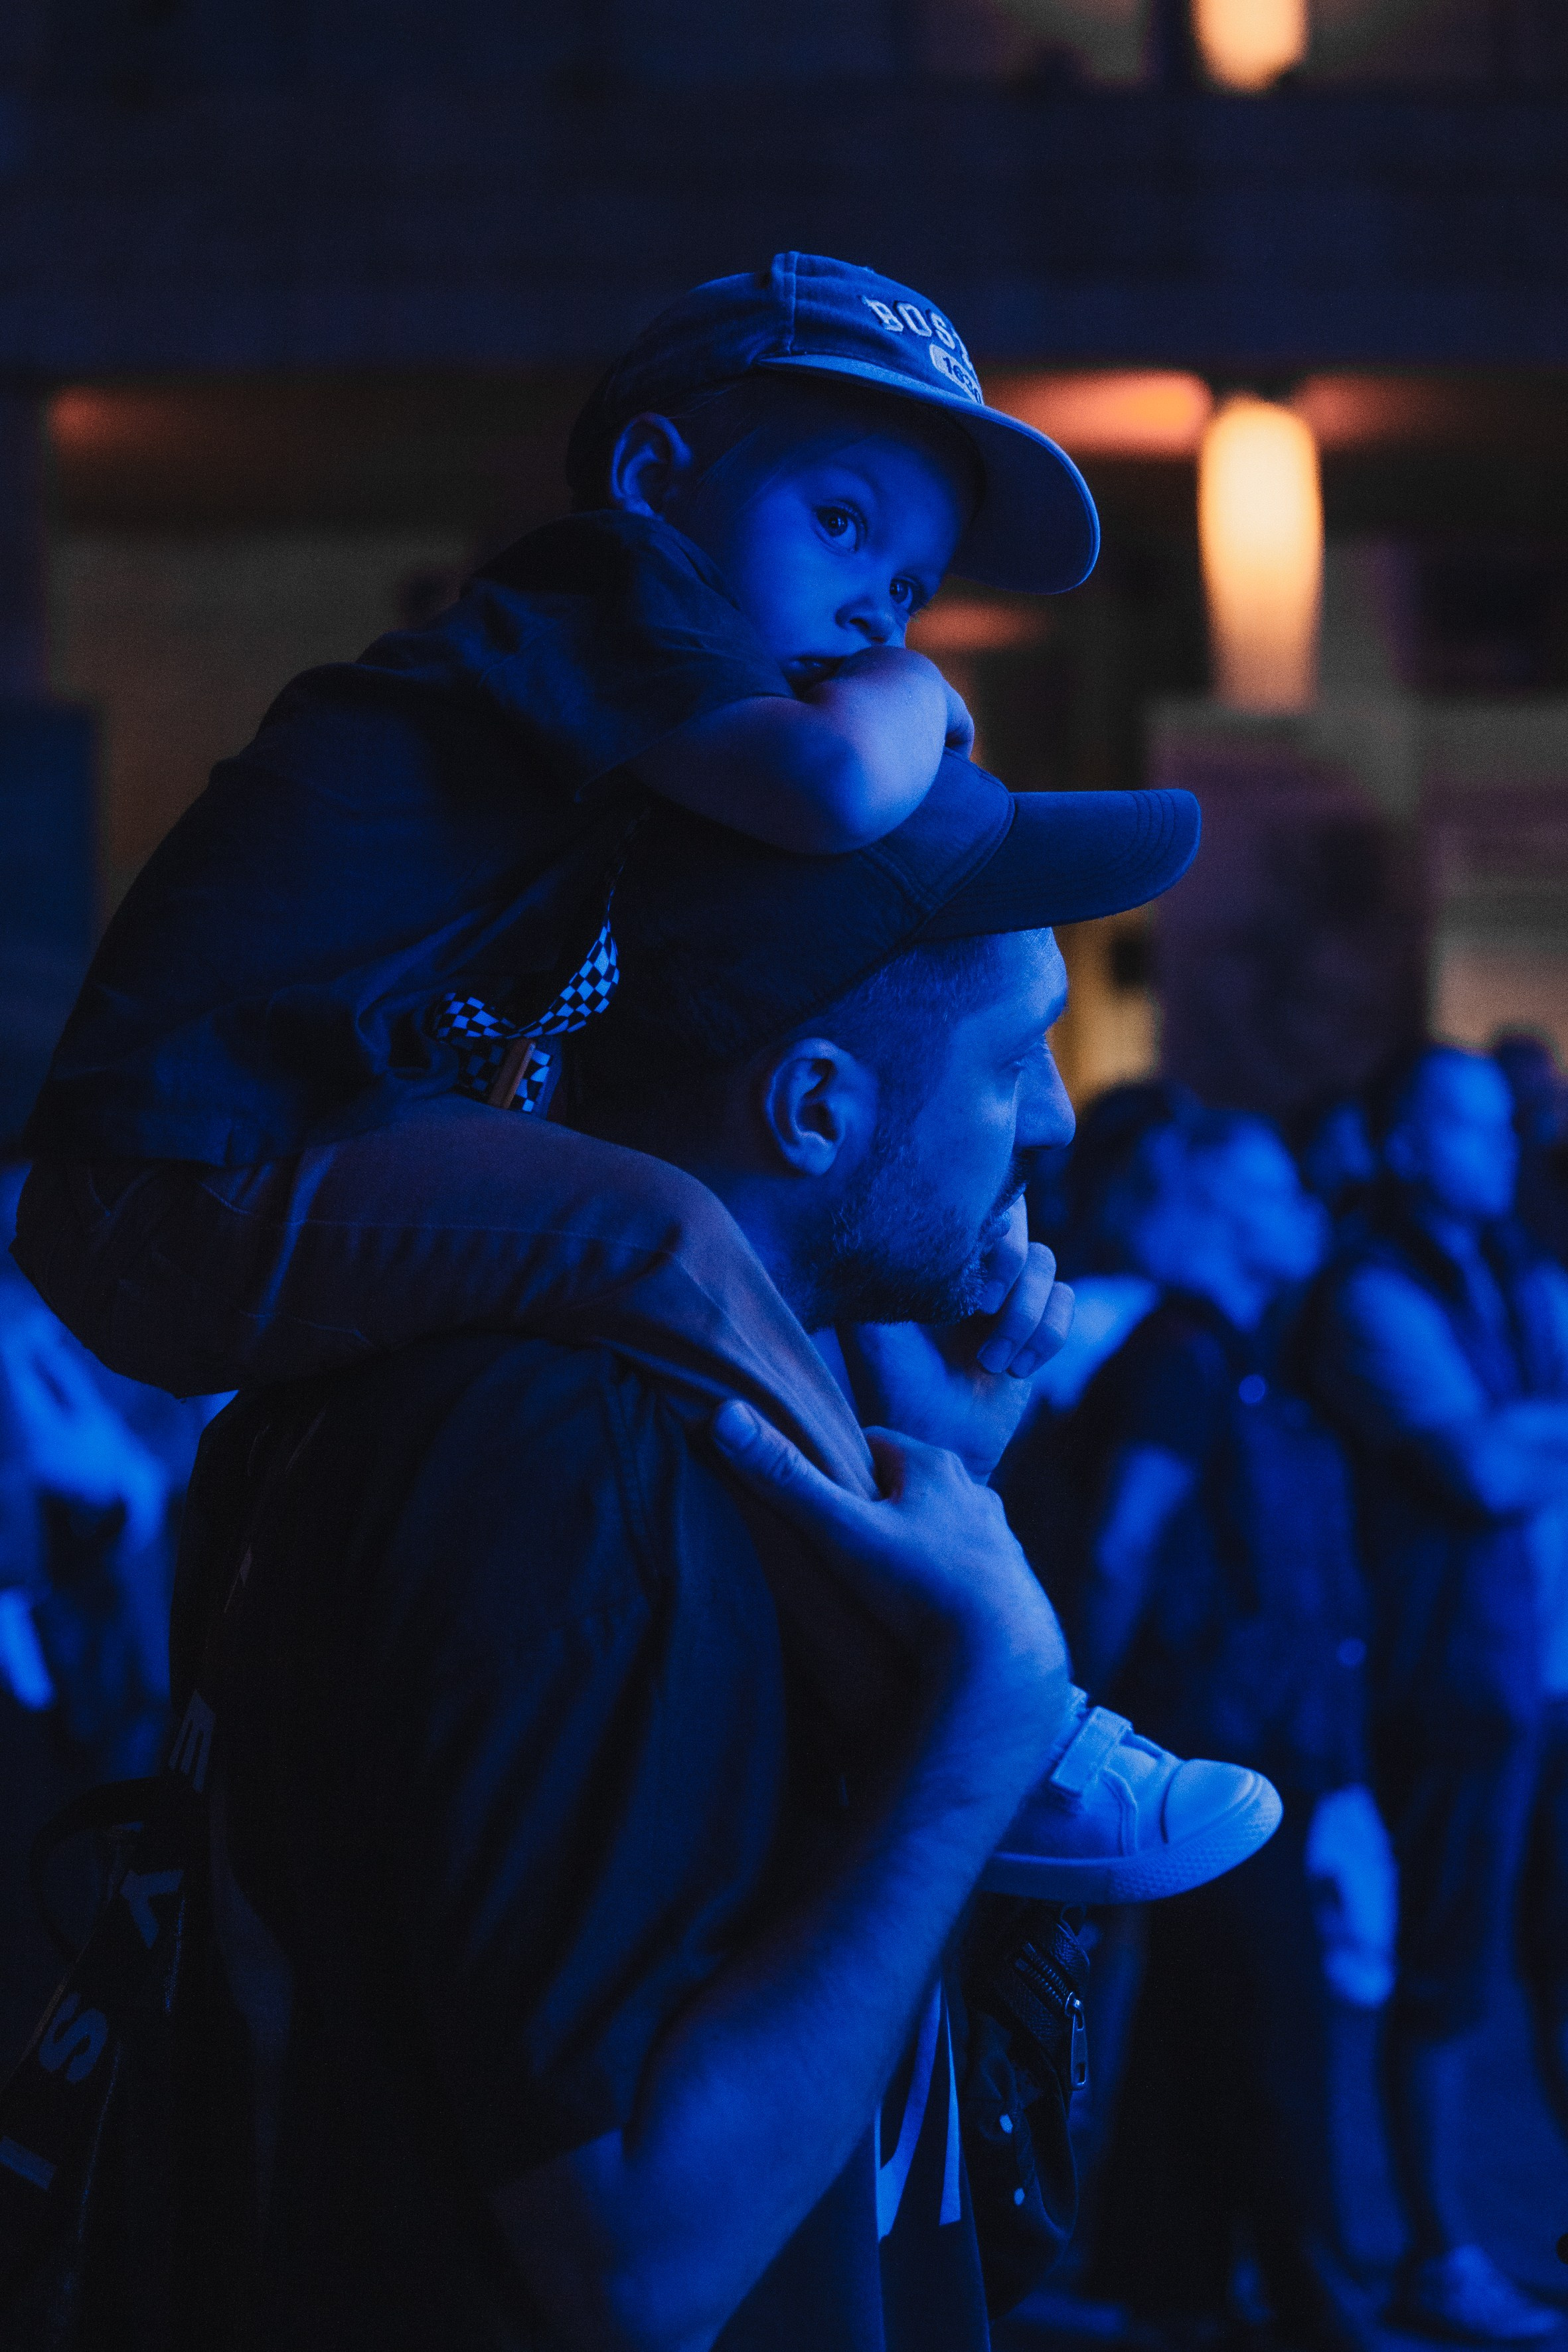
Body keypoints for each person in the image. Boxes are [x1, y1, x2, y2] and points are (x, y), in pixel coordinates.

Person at [172, 762, 1279, 2350]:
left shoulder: (727, 1434)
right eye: (1007, 1056)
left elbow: (902, 2154)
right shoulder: (548, 1451)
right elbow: (640, 2255)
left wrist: (946, 1483)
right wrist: (986, 1721)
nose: (1050, 1116)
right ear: (815, 1106)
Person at [14, 250, 1100, 1467]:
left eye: (909, 587)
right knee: (660, 1239)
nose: (871, 611)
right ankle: (899, 1543)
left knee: (629, 1248)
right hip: (185, 1172)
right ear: (651, 481)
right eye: (839, 522)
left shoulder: (634, 753)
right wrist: (914, 682)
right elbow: (836, 783)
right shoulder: (608, 590)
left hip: (245, 1169)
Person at [1000, 1108, 1380, 2352]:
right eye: (1276, 1190)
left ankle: (1168, 2281)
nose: (1309, 1209)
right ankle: (1315, 2300)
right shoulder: (1183, 1355)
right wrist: (1077, 1718)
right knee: (1274, 2021)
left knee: (1193, 2021)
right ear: (1216, 1211)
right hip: (1207, 1741)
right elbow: (1119, 1546)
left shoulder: (1214, 1347)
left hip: (1225, 1733)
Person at [1310, 1043, 1568, 2343]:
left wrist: (1522, 1423)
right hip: (1456, 1676)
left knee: (1553, 1964)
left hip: (1538, 1668)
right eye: (1466, 1126)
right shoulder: (1364, 1284)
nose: (1502, 1146)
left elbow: (1506, 1438)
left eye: (1501, 1126)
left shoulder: (1506, 1265)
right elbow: (1471, 1466)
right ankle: (1437, 2250)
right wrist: (1528, 1424)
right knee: (1446, 1974)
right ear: (1400, 1142)